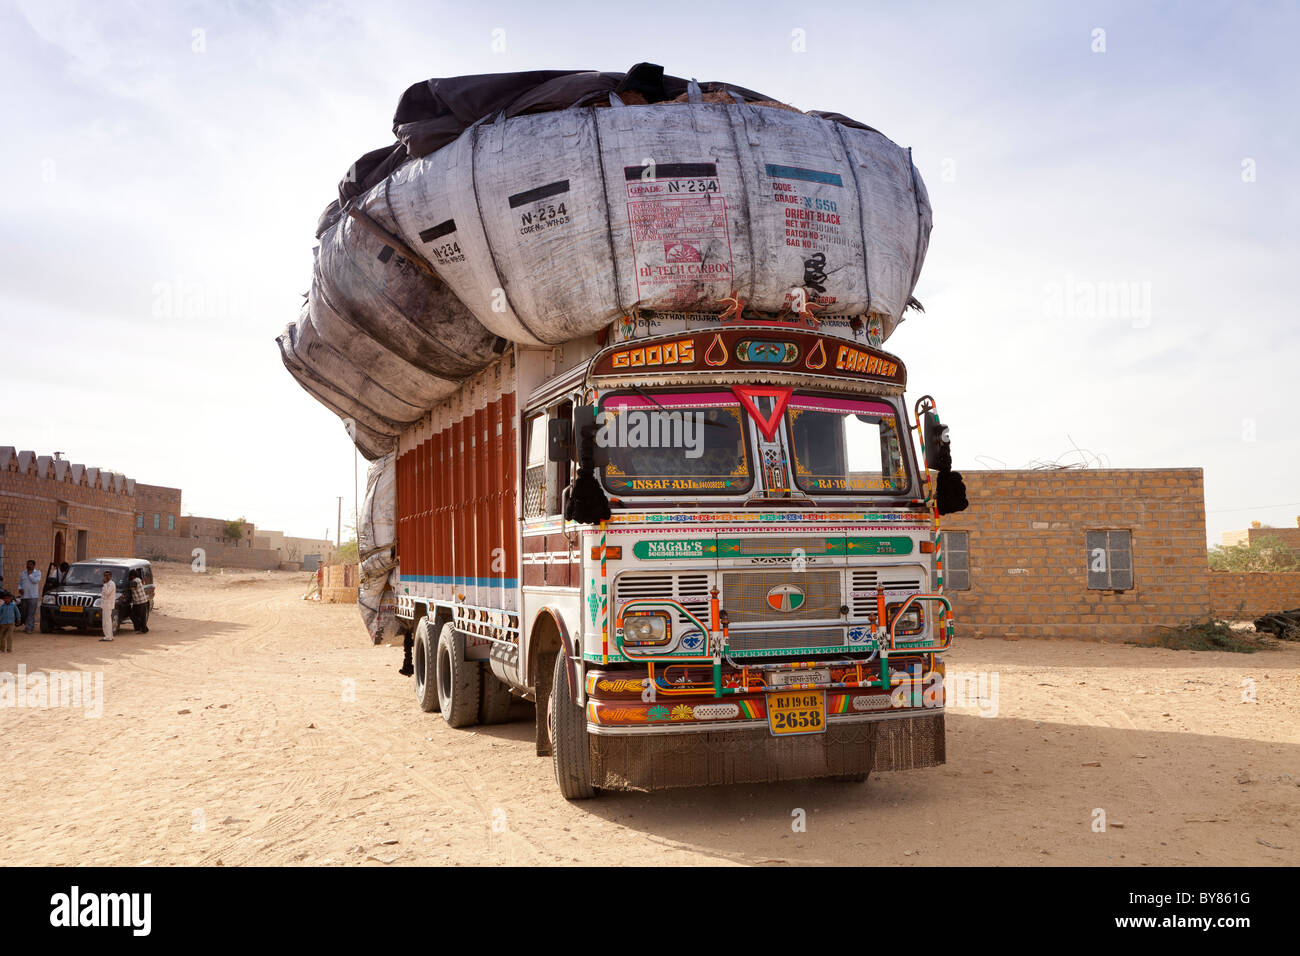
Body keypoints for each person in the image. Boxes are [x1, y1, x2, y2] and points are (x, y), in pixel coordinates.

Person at [18, 560, 41, 634]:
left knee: (31, 613)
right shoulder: (23, 573)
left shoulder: (38, 573)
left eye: (30, 565)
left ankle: (29, 628)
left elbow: (35, 581)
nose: (28, 566)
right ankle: (27, 626)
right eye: (28, 564)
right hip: (24, 596)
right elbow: (20, 583)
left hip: (33, 596)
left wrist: (30, 575)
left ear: (34, 566)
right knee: (24, 613)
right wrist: (19, 589)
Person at [128, 569, 150, 633]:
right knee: (142, 616)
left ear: (132, 576)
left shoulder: (134, 582)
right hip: (143, 600)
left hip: (138, 602)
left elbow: (129, 586)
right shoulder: (139, 580)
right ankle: (144, 629)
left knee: (133, 615)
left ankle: (140, 628)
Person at [99, 569, 117, 642]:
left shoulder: (111, 584)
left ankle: (108, 637)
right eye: (105, 575)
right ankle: (109, 636)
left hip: (108, 605)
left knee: (107, 622)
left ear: (110, 576)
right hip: (105, 605)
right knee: (106, 621)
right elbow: (103, 596)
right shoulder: (106, 584)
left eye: (107, 575)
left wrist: (105, 584)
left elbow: (107, 593)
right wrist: (101, 606)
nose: (106, 577)